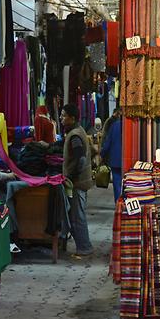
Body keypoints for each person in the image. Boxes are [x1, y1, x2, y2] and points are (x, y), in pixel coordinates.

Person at [60, 104, 94, 256]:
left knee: (77, 215)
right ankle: (83, 245)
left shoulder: (74, 135)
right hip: (81, 180)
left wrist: (72, 176)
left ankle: (84, 247)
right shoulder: (79, 131)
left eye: (63, 115)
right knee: (77, 214)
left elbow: (80, 157)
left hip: (77, 182)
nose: (61, 118)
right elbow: (91, 152)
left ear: (72, 118)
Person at [101, 109, 123, 201]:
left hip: (115, 159)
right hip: (129, 159)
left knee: (117, 183)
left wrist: (102, 154)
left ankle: (118, 204)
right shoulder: (133, 125)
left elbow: (107, 143)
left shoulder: (114, 125)